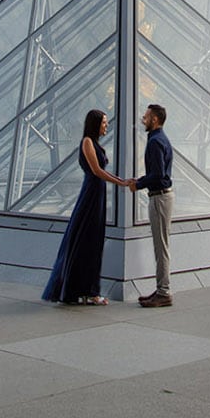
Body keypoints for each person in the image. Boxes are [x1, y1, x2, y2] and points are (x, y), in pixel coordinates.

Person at [42, 109, 130, 306]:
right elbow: (97, 171)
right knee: (88, 242)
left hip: (96, 194)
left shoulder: (93, 142)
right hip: (91, 194)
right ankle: (87, 292)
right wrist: (122, 183)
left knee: (92, 242)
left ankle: (86, 290)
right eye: (104, 122)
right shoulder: (87, 142)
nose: (106, 126)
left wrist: (121, 182)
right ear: (95, 123)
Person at [133, 103, 175, 308]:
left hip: (159, 197)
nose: (143, 119)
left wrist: (138, 183)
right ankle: (160, 289)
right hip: (161, 196)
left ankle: (164, 292)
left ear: (155, 119)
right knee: (161, 246)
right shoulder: (158, 139)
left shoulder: (155, 142)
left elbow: (158, 174)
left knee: (161, 247)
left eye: (146, 116)